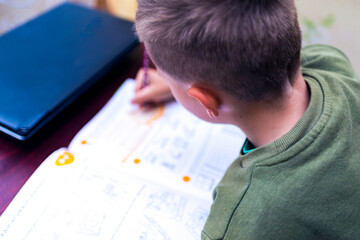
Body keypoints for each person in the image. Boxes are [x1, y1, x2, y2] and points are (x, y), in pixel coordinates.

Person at [131, 0, 360, 239]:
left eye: (168, 79)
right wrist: (178, 85)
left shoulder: (245, 218)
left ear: (205, 100)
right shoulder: (330, 62)